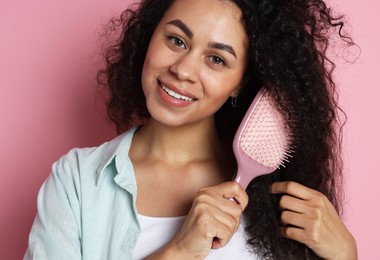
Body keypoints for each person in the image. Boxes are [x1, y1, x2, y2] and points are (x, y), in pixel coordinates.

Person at [25, 0, 358, 259]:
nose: (183, 70)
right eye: (177, 40)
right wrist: (180, 250)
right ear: (149, 35)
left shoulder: (276, 195)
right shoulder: (78, 182)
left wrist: (346, 255)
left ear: (239, 83)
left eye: (217, 59)